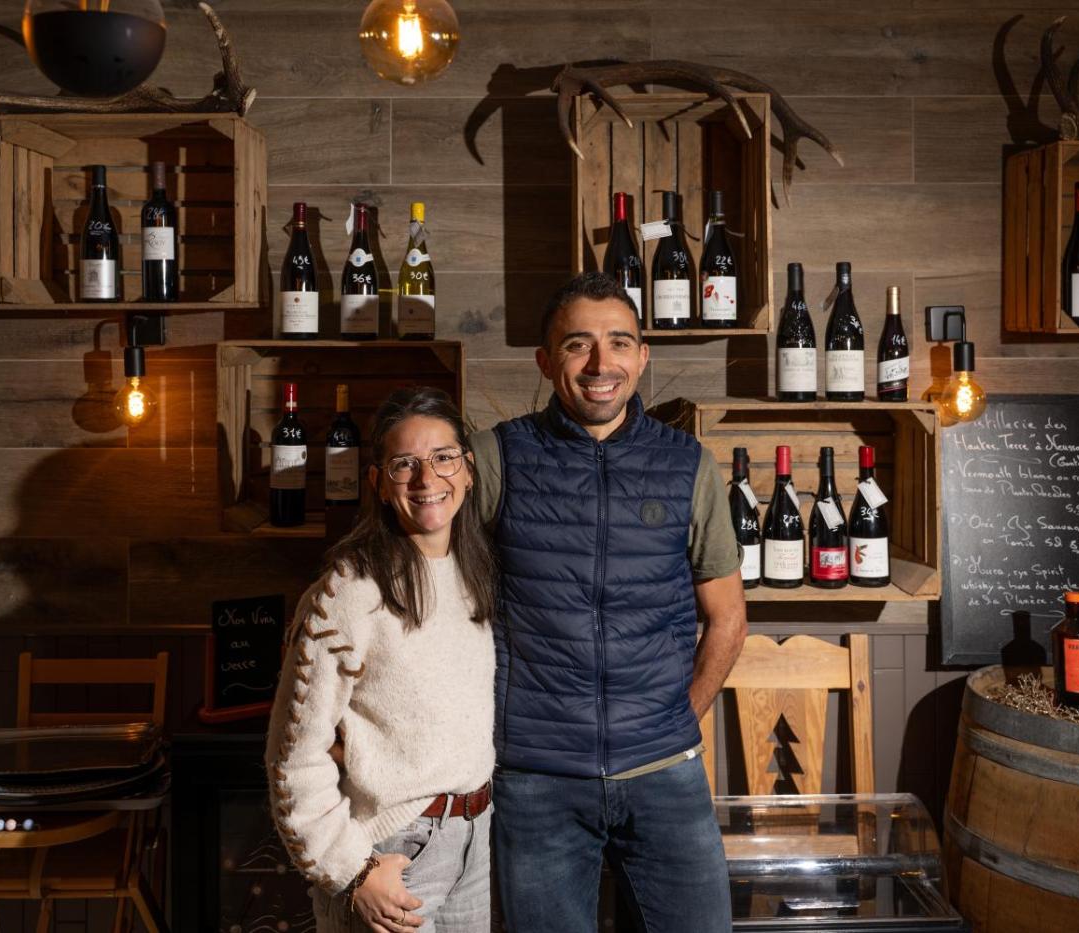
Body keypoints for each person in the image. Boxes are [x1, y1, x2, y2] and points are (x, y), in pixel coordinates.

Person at [469, 272, 749, 932]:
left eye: (619, 342)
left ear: (642, 356)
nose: (601, 363)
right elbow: (422, 584)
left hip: (666, 773)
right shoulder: (495, 457)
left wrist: (675, 718)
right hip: (537, 777)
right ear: (545, 361)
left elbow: (728, 619)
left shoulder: (688, 464)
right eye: (578, 344)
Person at [266, 387, 496, 933]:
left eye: (443, 457)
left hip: (475, 839)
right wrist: (353, 871)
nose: (426, 478)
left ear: (467, 471)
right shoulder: (350, 592)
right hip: (392, 849)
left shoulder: (473, 574)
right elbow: (293, 755)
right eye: (404, 464)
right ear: (377, 483)